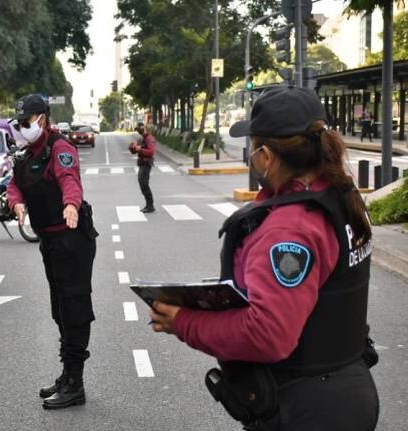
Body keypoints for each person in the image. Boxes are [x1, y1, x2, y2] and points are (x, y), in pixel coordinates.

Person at [148, 87, 379, 430]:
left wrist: (183, 321)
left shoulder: (290, 230)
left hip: (306, 408)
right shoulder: (340, 196)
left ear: (267, 156)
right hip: (347, 391)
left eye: (252, 148)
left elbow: (268, 334)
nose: (250, 157)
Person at [8, 94, 98, 410]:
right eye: (18, 122)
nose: (21, 127)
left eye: (25, 122)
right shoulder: (24, 155)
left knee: (74, 309)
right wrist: (16, 202)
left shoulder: (59, 149)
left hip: (72, 241)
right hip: (49, 241)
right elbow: (15, 184)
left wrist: (71, 205)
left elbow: (69, 180)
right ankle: (66, 375)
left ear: (42, 120)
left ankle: (76, 384)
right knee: (59, 309)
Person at [129, 122, 156, 213]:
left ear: (144, 128)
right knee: (142, 183)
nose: (138, 131)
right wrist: (132, 148)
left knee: (144, 184)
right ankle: (148, 204)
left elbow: (151, 152)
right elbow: (136, 151)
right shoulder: (141, 138)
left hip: (147, 163)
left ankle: (150, 205)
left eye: (139, 129)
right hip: (141, 163)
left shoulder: (149, 138)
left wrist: (140, 149)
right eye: (137, 130)